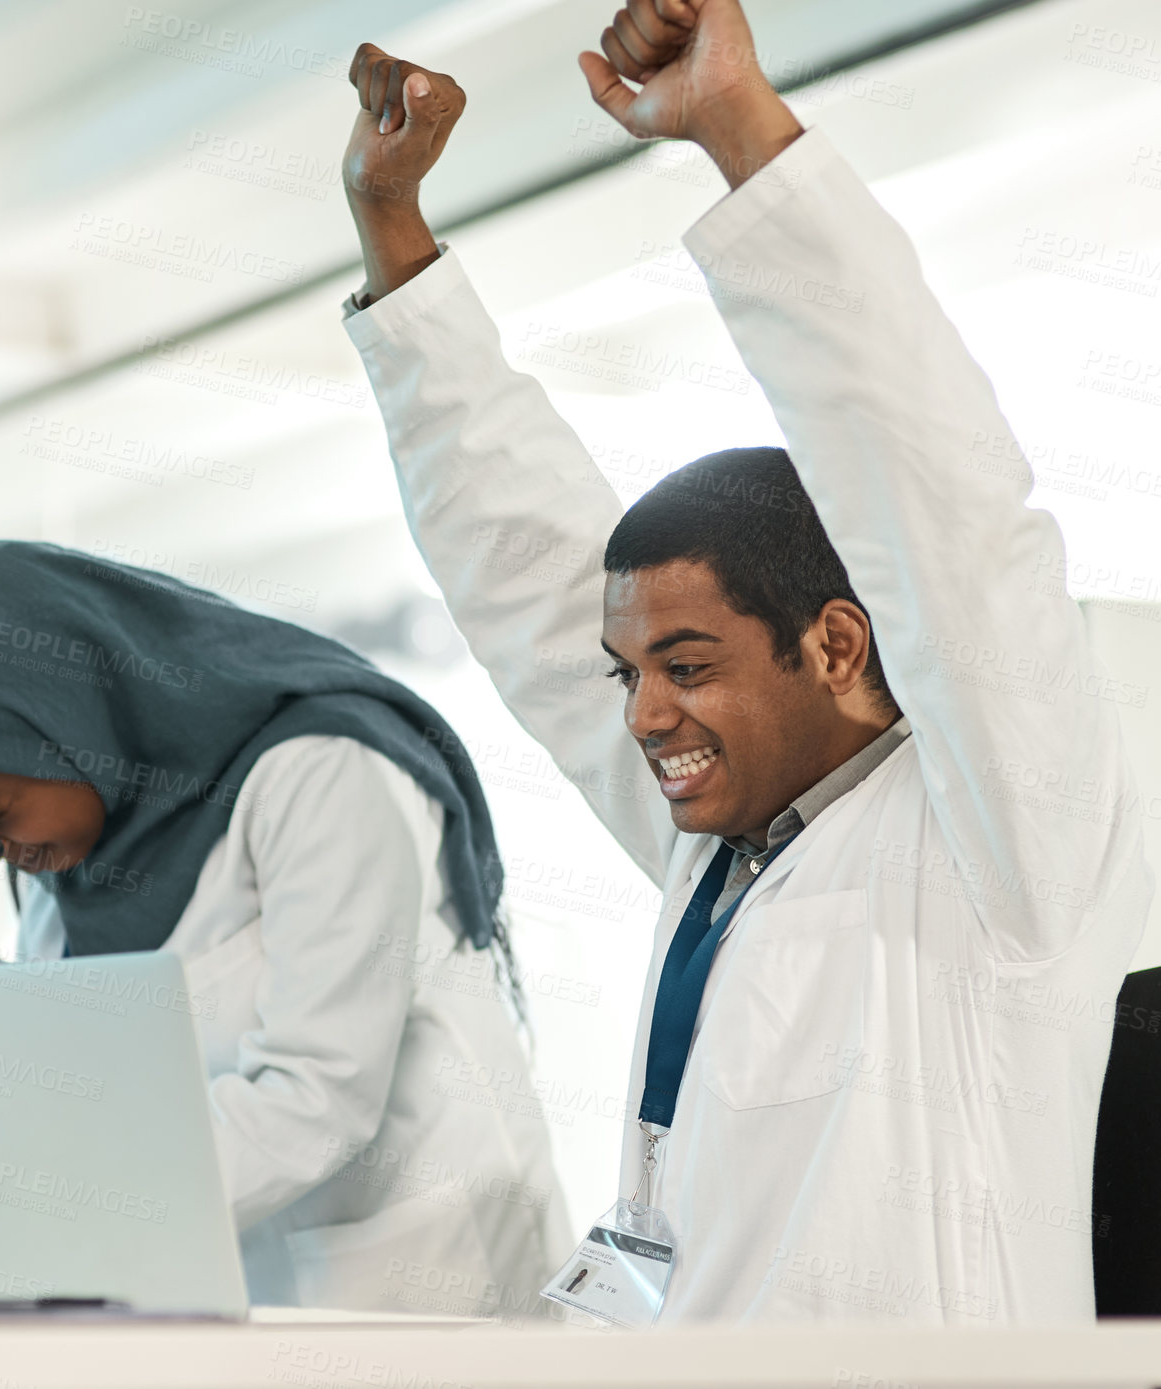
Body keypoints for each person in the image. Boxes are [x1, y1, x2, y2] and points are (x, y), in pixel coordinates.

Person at [336, 0, 1153, 1324]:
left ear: (835, 641)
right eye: (628, 675)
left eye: (686, 663)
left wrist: (735, 132)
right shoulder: (718, 845)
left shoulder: (1003, 843)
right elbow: (518, 557)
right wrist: (392, 232)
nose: (646, 714)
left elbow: (932, 494)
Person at [0, 540, 569, 1316]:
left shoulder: (323, 772)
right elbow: (78, 1063)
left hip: (419, 1273)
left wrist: (15, 1223)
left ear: (63, 712)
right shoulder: (75, 825)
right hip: (230, 1277)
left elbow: (315, 1098)